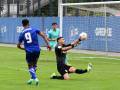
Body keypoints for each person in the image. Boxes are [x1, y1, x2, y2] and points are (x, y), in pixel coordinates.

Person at [17, 19, 50, 85]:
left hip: (29, 51)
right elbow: (43, 35)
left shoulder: (22, 33)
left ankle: (35, 78)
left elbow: (18, 45)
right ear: (29, 24)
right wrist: (48, 44)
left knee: (30, 65)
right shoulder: (34, 29)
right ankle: (31, 78)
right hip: (37, 50)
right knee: (34, 65)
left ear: (22, 25)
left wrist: (24, 48)